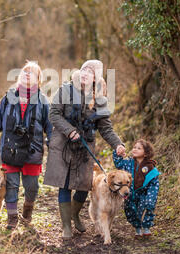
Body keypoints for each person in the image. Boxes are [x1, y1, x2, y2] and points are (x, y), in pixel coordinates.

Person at [44, 60, 125, 239]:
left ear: (95, 77)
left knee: (84, 185)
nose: (85, 73)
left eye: (90, 71)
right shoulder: (65, 90)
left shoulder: (99, 99)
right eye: (83, 69)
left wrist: (117, 144)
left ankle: (74, 215)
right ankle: (66, 226)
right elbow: (54, 114)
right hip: (63, 144)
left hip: (85, 146)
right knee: (64, 185)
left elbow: (105, 127)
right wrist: (69, 130)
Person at [0, 61, 52, 230]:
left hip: (32, 150)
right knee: (11, 185)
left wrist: (53, 145)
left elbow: (50, 127)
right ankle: (12, 217)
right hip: (9, 149)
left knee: (32, 187)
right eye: (24, 71)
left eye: (31, 72)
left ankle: (27, 212)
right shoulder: (8, 97)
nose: (26, 74)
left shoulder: (43, 101)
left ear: (38, 79)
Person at [113, 139, 160, 238]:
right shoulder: (128, 162)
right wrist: (118, 153)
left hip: (144, 193)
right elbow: (118, 164)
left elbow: (153, 183)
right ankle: (137, 228)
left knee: (146, 207)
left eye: (139, 148)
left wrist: (151, 196)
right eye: (134, 147)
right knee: (130, 210)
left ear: (146, 153)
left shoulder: (150, 167)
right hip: (130, 193)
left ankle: (146, 228)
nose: (135, 149)